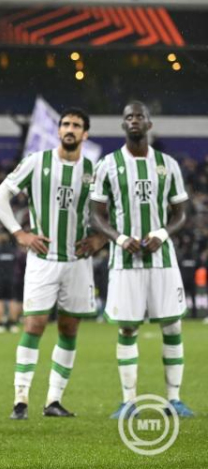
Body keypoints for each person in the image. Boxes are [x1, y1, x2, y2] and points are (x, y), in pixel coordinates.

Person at [0, 107, 106, 420]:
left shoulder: (95, 170)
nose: (69, 129)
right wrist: (19, 233)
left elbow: (113, 210)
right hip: (43, 259)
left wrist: (100, 239)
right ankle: (20, 399)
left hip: (78, 261)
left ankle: (54, 400)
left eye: (76, 125)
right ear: (58, 130)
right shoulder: (36, 161)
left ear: (85, 133)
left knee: (69, 328)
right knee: (35, 325)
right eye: (65, 124)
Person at [90, 101, 194, 418]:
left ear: (149, 124)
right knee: (127, 329)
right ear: (123, 125)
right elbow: (96, 215)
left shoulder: (167, 164)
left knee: (172, 325)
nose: (134, 120)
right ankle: (129, 401)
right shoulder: (107, 165)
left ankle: (174, 399)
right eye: (128, 117)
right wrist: (121, 238)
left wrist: (162, 233)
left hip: (162, 260)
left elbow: (181, 213)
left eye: (139, 116)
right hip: (125, 262)